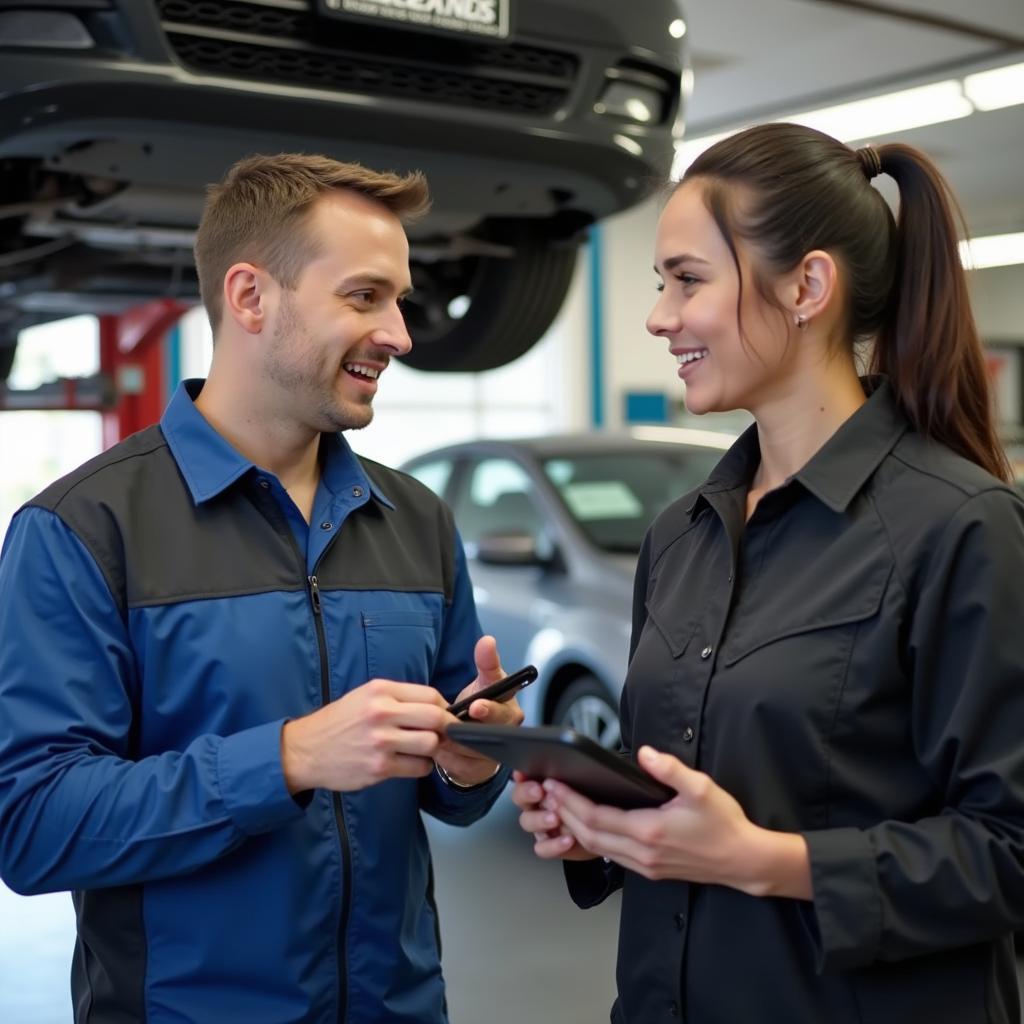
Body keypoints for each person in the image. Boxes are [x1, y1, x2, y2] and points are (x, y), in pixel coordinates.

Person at [513, 122, 1024, 1023]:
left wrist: (761, 859)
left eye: (688, 279)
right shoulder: (682, 535)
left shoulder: (960, 526)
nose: (659, 315)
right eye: (660, 282)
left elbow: (1009, 850)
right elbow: (681, 782)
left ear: (808, 286)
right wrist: (594, 818)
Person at [0, 153, 523, 1023]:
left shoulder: (417, 519)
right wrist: (284, 759)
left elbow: (444, 792)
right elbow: (36, 824)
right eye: (364, 298)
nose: (399, 334)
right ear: (250, 298)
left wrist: (470, 766)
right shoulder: (82, 530)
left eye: (399, 299)